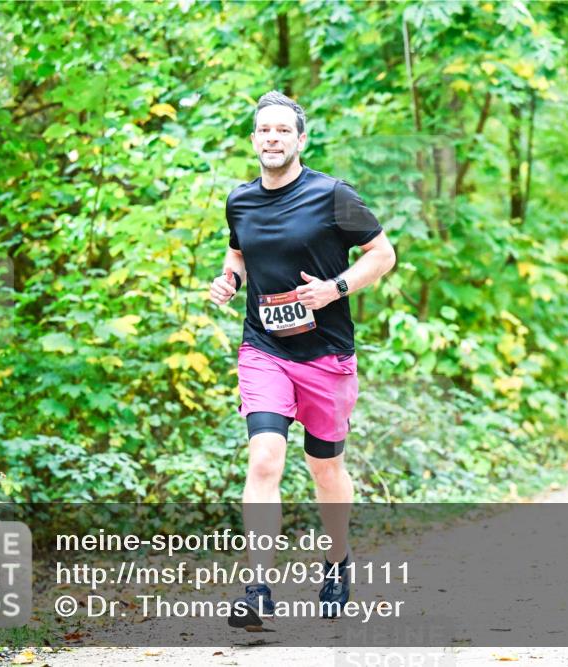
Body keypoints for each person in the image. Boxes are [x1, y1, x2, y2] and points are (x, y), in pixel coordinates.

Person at [208, 91, 396, 629]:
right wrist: (230, 280)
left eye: (282, 131)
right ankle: (257, 586)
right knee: (265, 457)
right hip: (264, 348)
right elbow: (239, 250)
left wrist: (336, 289)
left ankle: (337, 561)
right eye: (264, 130)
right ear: (253, 140)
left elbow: (383, 255)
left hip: (326, 355)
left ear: (300, 140)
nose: (272, 138)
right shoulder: (239, 201)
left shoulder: (333, 195)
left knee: (324, 465)